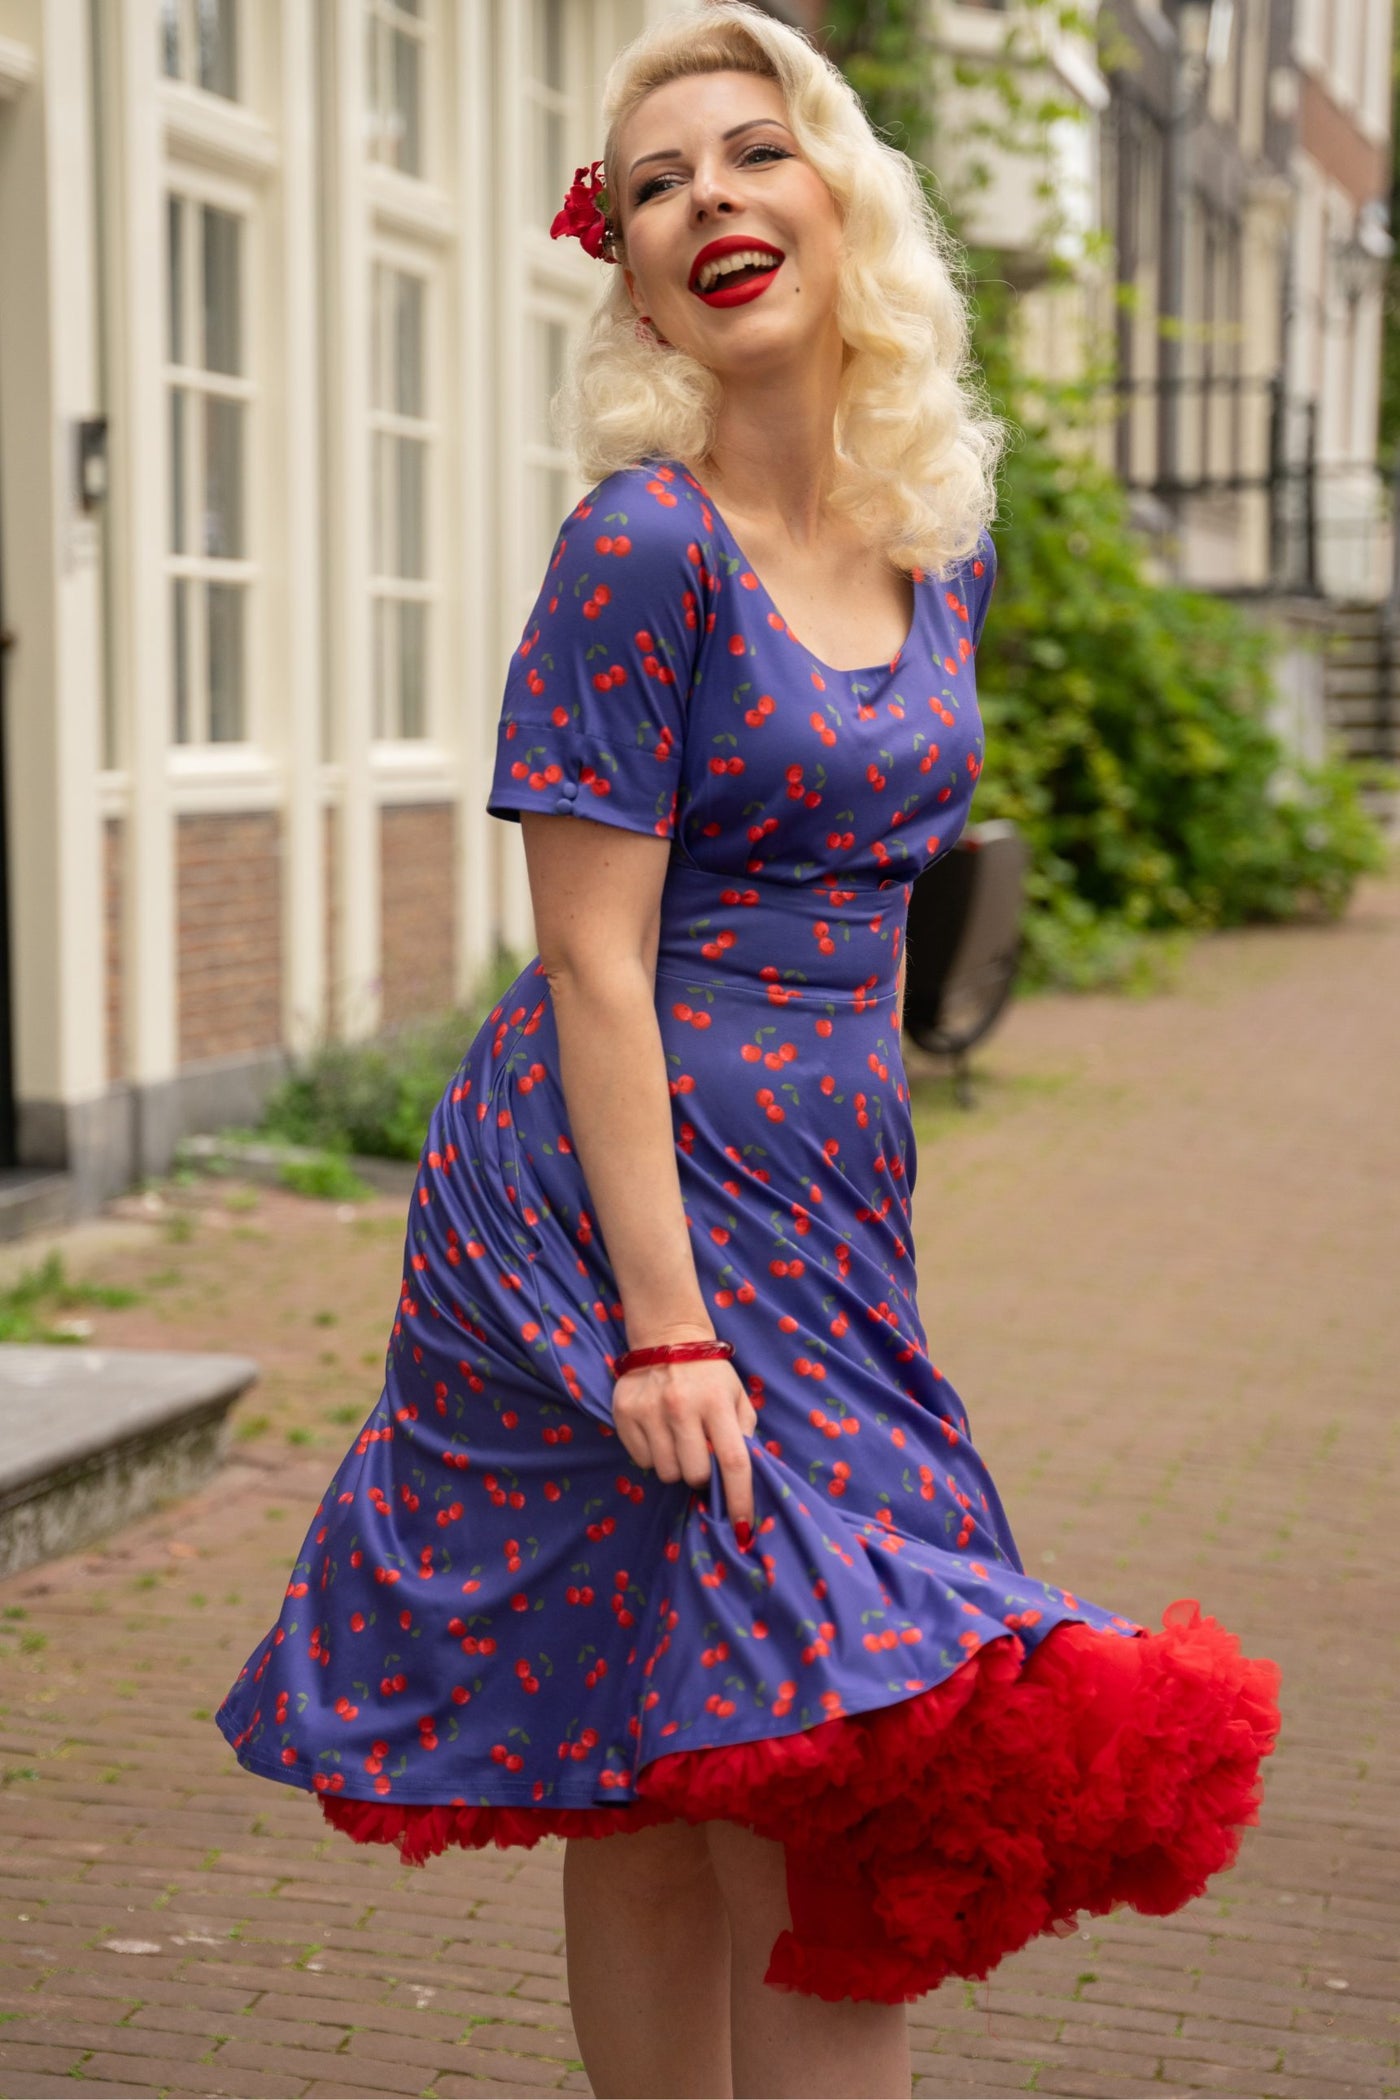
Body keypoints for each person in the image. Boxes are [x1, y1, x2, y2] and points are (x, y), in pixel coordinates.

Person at [215, 7, 1282, 2096]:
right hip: (606, 1217)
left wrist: (852, 1240)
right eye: (652, 185)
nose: (705, 197)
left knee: (735, 1724)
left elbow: (876, 927)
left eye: (746, 152)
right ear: (624, 267)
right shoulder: (640, 549)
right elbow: (593, 967)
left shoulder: (936, 544)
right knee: (773, 1745)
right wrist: (667, 1327)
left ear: (837, 191)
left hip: (824, 1221)